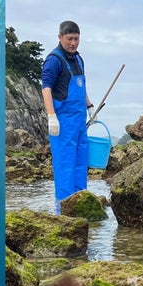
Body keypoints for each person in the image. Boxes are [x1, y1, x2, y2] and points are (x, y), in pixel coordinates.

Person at [42, 20, 95, 207]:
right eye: (69, 39)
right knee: (65, 164)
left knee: (81, 162)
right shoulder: (54, 60)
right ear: (60, 37)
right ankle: (63, 208)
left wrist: (89, 106)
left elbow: (82, 86)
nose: (73, 43)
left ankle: (80, 203)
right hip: (62, 122)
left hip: (79, 120)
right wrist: (51, 116)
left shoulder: (79, 59)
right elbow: (46, 88)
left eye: (76, 39)